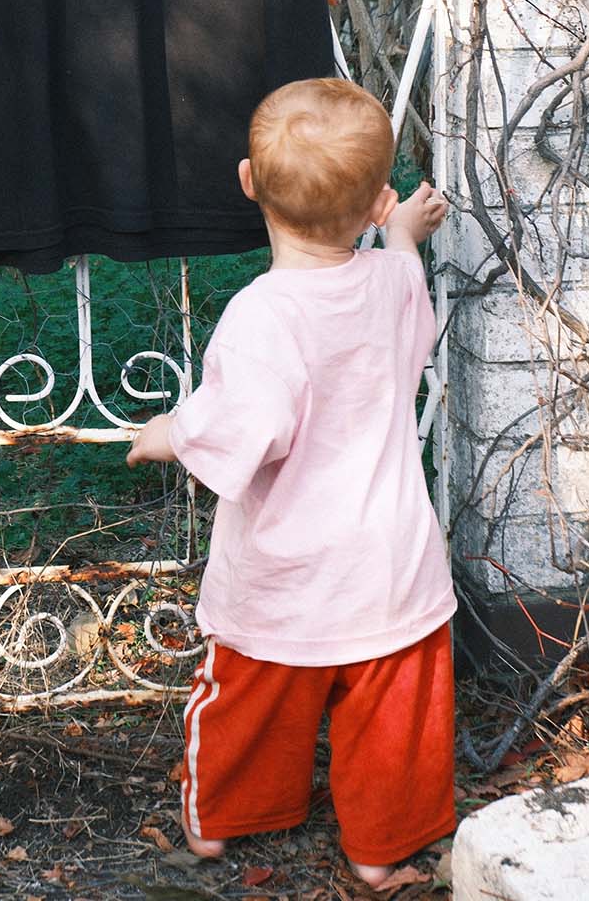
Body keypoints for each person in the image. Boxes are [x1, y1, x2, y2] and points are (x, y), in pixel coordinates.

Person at [126, 77, 455, 890]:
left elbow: (242, 426)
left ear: (247, 181)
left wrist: (167, 435)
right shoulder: (391, 284)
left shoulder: (262, 316)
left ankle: (220, 825)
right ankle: (381, 850)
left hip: (285, 578)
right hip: (390, 570)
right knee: (394, 721)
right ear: (378, 199)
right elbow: (403, 278)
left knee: (249, 701)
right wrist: (403, 231)